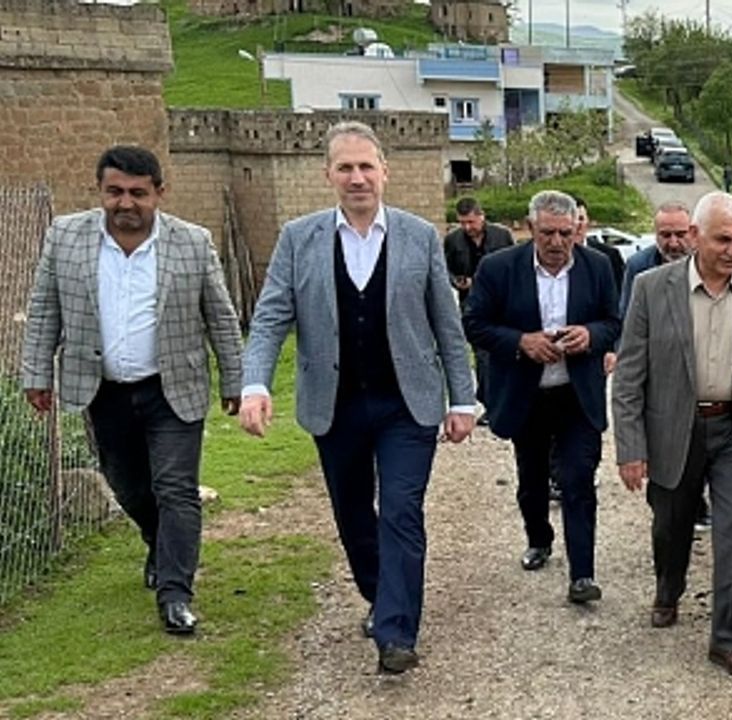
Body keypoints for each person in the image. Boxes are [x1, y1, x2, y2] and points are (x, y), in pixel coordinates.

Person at [238, 121, 475, 675]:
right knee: (352, 514)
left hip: (405, 404)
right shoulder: (299, 238)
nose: (357, 177)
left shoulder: (419, 236)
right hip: (336, 403)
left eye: (366, 166)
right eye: (345, 167)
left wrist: (462, 400)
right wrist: (255, 384)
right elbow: (270, 317)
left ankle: (396, 632)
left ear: (384, 172)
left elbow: (447, 323)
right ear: (328, 175)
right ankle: (380, 594)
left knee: (401, 510)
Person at [21, 144, 243, 635]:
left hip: (172, 387)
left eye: (138, 193)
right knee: (128, 485)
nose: (126, 203)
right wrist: (36, 373)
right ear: (100, 191)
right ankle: (158, 543)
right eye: (115, 192)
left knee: (176, 488)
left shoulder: (192, 243)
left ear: (160, 193)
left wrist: (235, 379)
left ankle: (176, 594)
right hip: (102, 390)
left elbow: (221, 316)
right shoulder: (66, 238)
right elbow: (44, 308)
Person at [612, 191, 732, 680]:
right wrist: (630, 448)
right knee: (670, 526)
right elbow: (628, 375)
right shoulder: (652, 288)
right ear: (695, 237)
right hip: (673, 429)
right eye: (723, 240)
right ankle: (668, 588)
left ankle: (727, 637)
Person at [463, 189, 620, 604]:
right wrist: (521, 342)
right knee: (532, 480)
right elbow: (474, 324)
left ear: (577, 228)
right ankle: (539, 538)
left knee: (578, 479)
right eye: (547, 233)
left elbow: (614, 321)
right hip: (526, 394)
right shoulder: (499, 268)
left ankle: (582, 574)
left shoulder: (598, 266)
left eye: (565, 233)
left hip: (576, 394)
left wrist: (591, 335)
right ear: (530, 228)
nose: (556, 242)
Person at [617, 201, 711, 531]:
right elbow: (629, 319)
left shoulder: (709, 266)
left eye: (680, 234)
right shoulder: (639, 269)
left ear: (694, 233)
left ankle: (695, 502)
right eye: (664, 235)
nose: (673, 243)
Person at [443, 197, 514, 426]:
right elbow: (443, 269)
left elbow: (515, 265)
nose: (467, 227)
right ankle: (491, 403)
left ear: (481, 216)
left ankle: (504, 401)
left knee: (505, 352)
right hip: (472, 306)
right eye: (462, 222)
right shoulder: (452, 240)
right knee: (482, 355)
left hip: (503, 303)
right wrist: (456, 281)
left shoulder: (502, 235)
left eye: (471, 222)